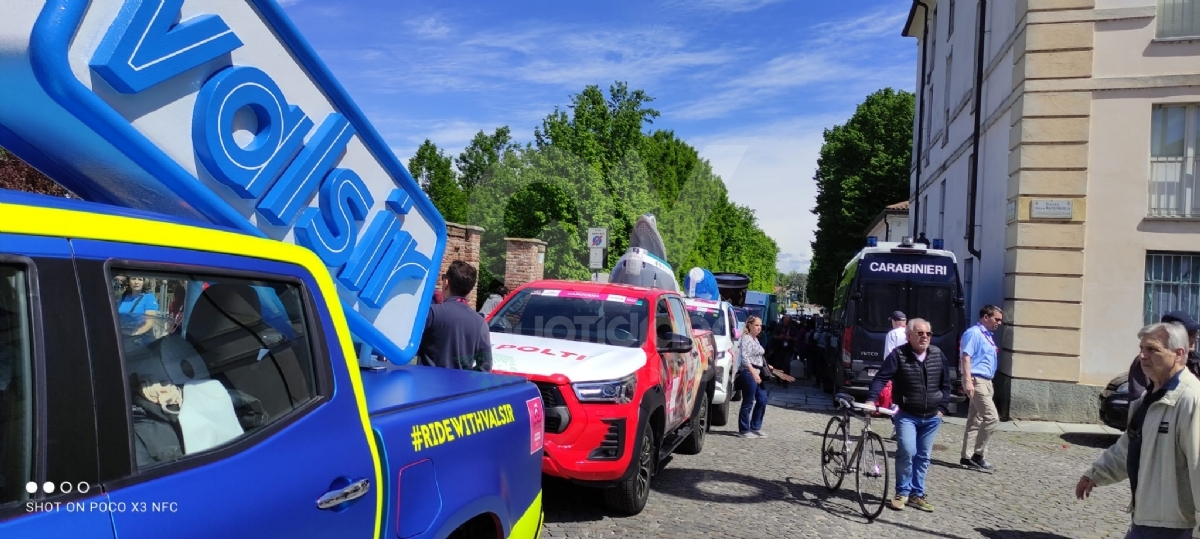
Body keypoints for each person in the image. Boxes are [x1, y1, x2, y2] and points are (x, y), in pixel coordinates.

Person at [1076, 323, 1200, 539]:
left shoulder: (1191, 400)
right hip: (1147, 516)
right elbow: (1130, 445)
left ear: (1178, 354)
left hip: (1175, 523)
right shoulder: (1149, 397)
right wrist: (1096, 473)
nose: (1142, 356)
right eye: (1142, 348)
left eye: (1152, 349)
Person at [865, 318, 950, 513]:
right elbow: (881, 378)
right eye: (920, 333)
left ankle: (916, 495)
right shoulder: (898, 355)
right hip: (907, 414)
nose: (925, 337)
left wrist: (942, 408)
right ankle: (902, 492)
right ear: (908, 335)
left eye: (928, 334)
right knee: (907, 451)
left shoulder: (938, 354)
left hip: (932, 417)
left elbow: (946, 384)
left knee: (923, 456)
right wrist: (871, 399)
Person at [417, 261, 492, 371]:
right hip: (461, 386)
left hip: (427, 384)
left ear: (446, 282)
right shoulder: (480, 322)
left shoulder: (432, 313)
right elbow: (485, 366)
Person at [960, 305, 1004, 473]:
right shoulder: (974, 333)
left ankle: (966, 455)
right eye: (996, 319)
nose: (999, 323)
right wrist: (968, 380)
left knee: (975, 420)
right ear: (985, 317)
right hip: (976, 380)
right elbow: (966, 356)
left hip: (986, 381)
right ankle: (978, 455)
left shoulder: (987, 336)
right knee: (992, 418)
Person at [735, 316, 791, 438]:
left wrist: (767, 366)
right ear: (749, 325)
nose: (759, 328)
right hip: (749, 373)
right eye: (756, 325)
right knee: (748, 402)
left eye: (760, 325)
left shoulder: (756, 339)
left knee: (762, 399)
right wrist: (754, 374)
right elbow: (745, 359)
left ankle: (755, 427)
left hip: (758, 372)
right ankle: (744, 430)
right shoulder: (746, 339)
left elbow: (758, 356)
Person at [1128, 311, 1200, 401]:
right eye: (1188, 333)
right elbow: (1139, 400)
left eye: (1194, 332)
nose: (1193, 337)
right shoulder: (1146, 361)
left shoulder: (1195, 360)